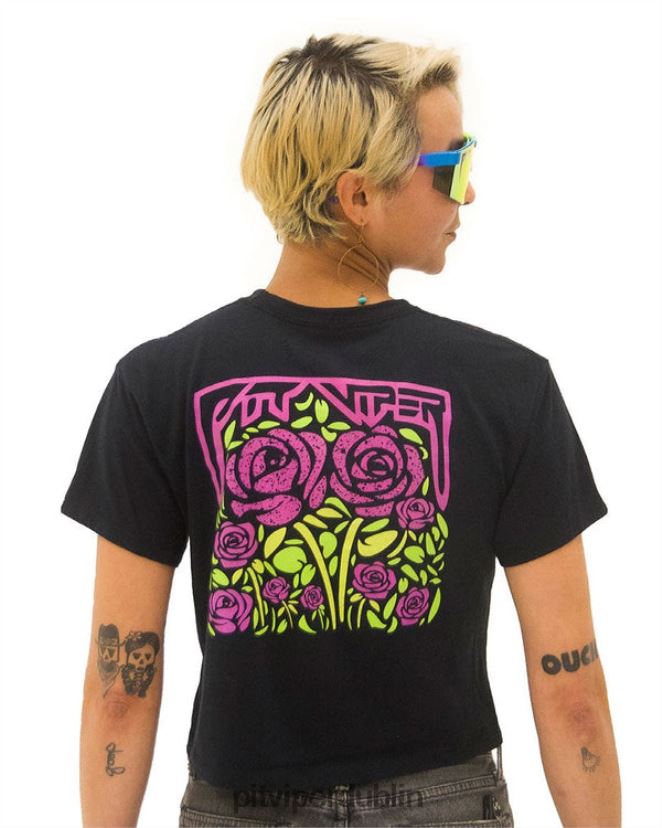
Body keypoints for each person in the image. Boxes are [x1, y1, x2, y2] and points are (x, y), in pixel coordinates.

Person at [61, 32, 621, 828]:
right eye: (453, 165)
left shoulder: (157, 383)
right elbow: (573, 695)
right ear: (358, 196)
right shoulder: (509, 386)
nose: (468, 196)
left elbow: (120, 688)